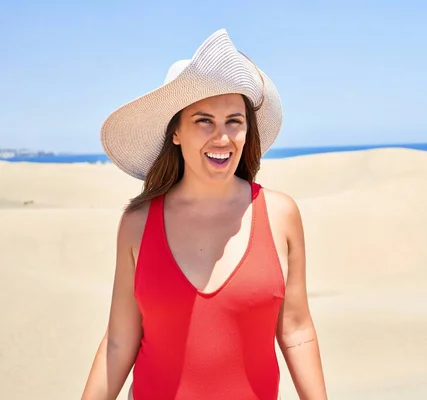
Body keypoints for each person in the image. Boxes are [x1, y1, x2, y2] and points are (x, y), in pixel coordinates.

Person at [81, 29, 328, 400]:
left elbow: (296, 330)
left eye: (234, 121)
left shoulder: (280, 214)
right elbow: (119, 341)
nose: (222, 137)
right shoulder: (137, 223)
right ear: (176, 132)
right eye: (203, 121)